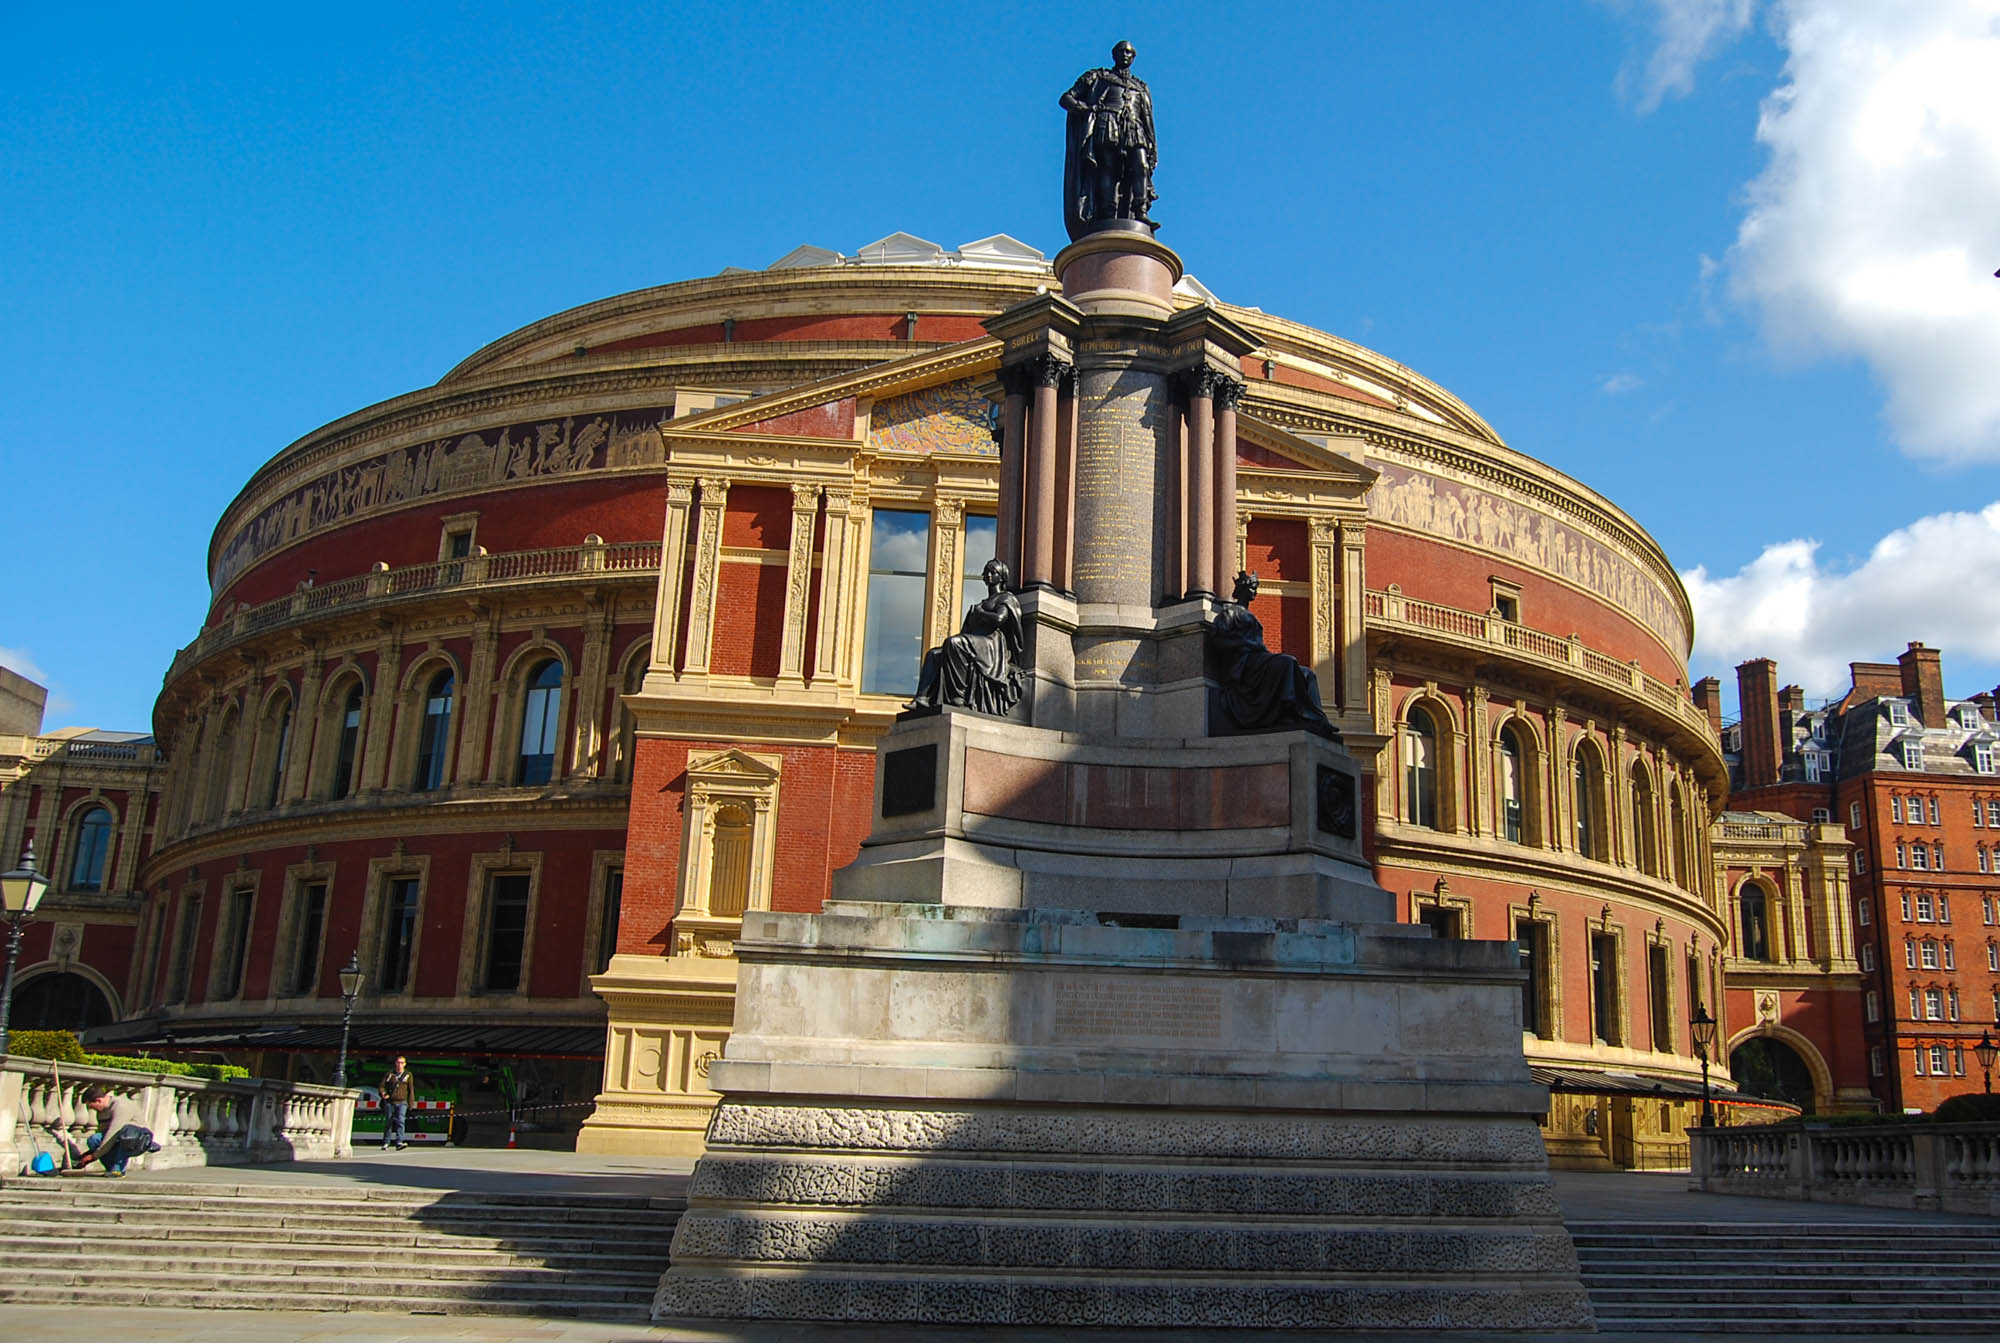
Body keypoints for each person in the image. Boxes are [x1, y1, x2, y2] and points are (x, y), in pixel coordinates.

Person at [1207, 572, 1337, 738]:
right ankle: (1289, 710)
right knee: (1288, 663)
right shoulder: (1229, 613)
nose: (1255, 592)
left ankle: (1318, 719)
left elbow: (1261, 648)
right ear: (1242, 589)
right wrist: (1246, 645)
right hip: (1243, 665)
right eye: (1252, 588)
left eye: (1256, 589)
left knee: (1308, 674)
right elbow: (1219, 641)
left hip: (1257, 662)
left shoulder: (1251, 617)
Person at [1060, 40, 1157, 239]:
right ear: (1114, 55)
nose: (1125, 55)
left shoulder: (1141, 86)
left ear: (1134, 57)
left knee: (1140, 167)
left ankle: (1141, 212)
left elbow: (1147, 117)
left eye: (1129, 53)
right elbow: (1066, 99)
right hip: (1108, 123)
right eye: (1121, 51)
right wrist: (1086, 109)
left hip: (1134, 127)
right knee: (1108, 170)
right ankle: (1108, 213)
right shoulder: (1098, 77)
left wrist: (1152, 145)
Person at [907, 559, 1027, 717]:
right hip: (974, 641)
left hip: (991, 643)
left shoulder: (1005, 598)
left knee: (954, 642)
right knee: (934, 654)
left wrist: (980, 613)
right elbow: (966, 631)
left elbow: (999, 619)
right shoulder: (980, 604)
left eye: (993, 572)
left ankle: (958, 695)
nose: (989, 575)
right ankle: (922, 698)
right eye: (987, 572)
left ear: (1002, 577)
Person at [65, 1085, 158, 1177]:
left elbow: (112, 1134)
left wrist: (94, 1156)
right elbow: (104, 1138)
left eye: (92, 1106)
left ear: (99, 1100)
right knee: (94, 1139)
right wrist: (86, 1156)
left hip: (137, 1139)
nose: (92, 1110)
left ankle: (117, 1169)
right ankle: (111, 1169)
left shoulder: (121, 1106)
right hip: (117, 1137)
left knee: (125, 1135)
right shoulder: (102, 1111)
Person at [378, 1055, 415, 1150]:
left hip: (402, 1101)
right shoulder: (389, 1074)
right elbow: (382, 1086)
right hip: (390, 1102)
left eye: (402, 1063)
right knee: (389, 1122)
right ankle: (386, 1142)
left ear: (405, 1064)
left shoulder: (408, 1075)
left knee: (400, 1121)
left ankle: (399, 1141)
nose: (400, 1064)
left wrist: (411, 1103)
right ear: (395, 1063)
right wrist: (383, 1093)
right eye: (398, 1062)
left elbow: (410, 1089)